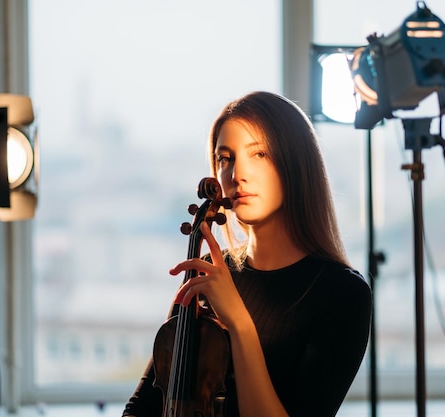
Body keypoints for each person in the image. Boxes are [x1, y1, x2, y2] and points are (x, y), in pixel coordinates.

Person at [123, 91, 372, 417]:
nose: (236, 174)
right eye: (225, 158)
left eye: (259, 154)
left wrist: (238, 323)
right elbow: (140, 410)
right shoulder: (211, 276)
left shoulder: (343, 295)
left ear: (296, 163)